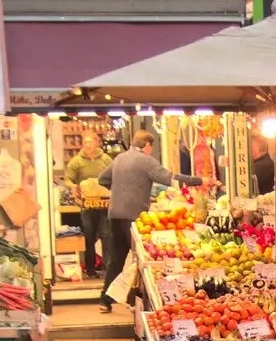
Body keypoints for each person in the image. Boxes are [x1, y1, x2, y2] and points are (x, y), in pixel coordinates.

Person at [97, 131, 208, 312]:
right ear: (147, 145)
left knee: (116, 258)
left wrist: (119, 189)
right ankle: (137, 301)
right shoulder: (145, 161)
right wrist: (200, 181)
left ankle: (105, 300)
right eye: (151, 147)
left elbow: (103, 178)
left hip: (115, 213)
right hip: (133, 216)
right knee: (140, 259)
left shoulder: (120, 158)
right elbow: (170, 178)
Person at [64, 131, 110, 277]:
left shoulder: (106, 159)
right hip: (86, 204)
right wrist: (72, 186)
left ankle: (108, 267)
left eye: (91, 142)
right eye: (85, 143)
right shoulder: (76, 161)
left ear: (97, 143)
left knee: (106, 235)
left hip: (104, 204)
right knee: (89, 236)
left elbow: (114, 174)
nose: (88, 145)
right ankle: (90, 269)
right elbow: (68, 179)